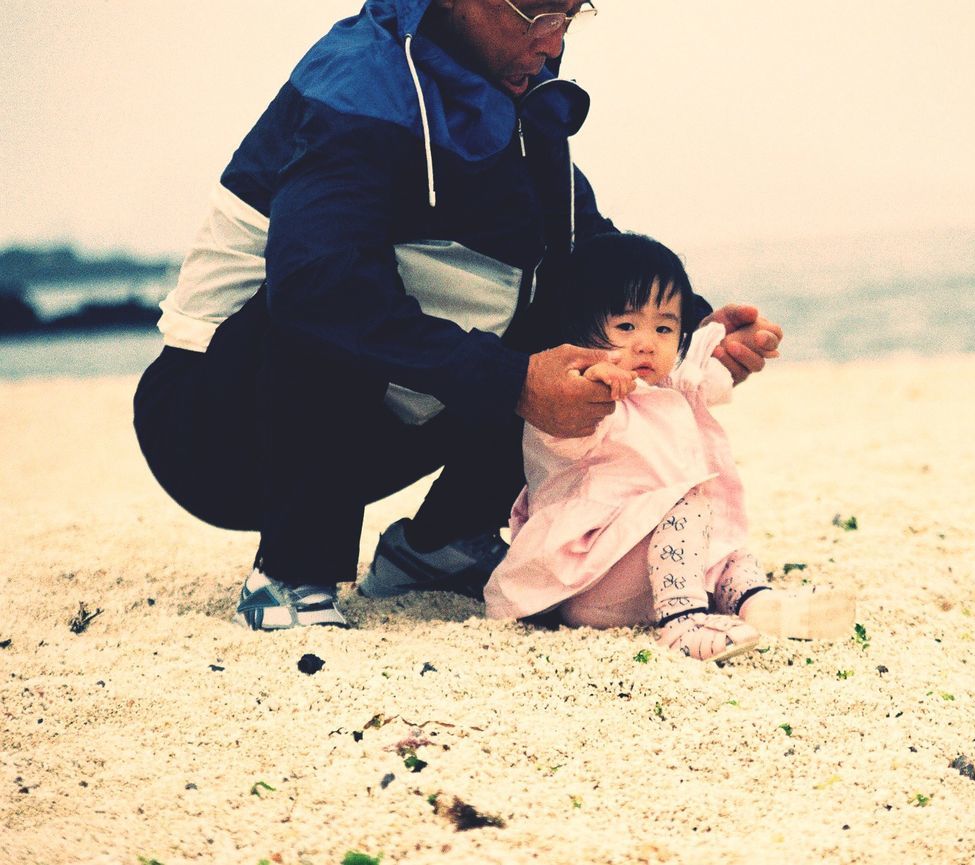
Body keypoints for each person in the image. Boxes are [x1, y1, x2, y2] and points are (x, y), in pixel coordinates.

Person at [132, 0, 783, 631]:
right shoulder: (361, 80)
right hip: (215, 424)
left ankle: (439, 542)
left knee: (573, 309)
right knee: (328, 292)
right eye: (534, 11)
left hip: (370, 419)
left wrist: (695, 329)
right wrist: (515, 383)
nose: (554, 40)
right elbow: (315, 285)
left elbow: (584, 245)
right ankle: (289, 570)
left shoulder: (517, 80)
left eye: (570, 13)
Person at [485, 233, 855, 661]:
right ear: (578, 329)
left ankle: (760, 605)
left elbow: (707, 375)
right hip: (588, 574)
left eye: (664, 328)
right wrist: (596, 389)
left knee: (729, 547)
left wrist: (743, 344)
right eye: (625, 326)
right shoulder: (576, 403)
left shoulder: (667, 389)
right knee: (688, 503)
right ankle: (682, 625)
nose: (646, 342)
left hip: (651, 572)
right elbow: (563, 442)